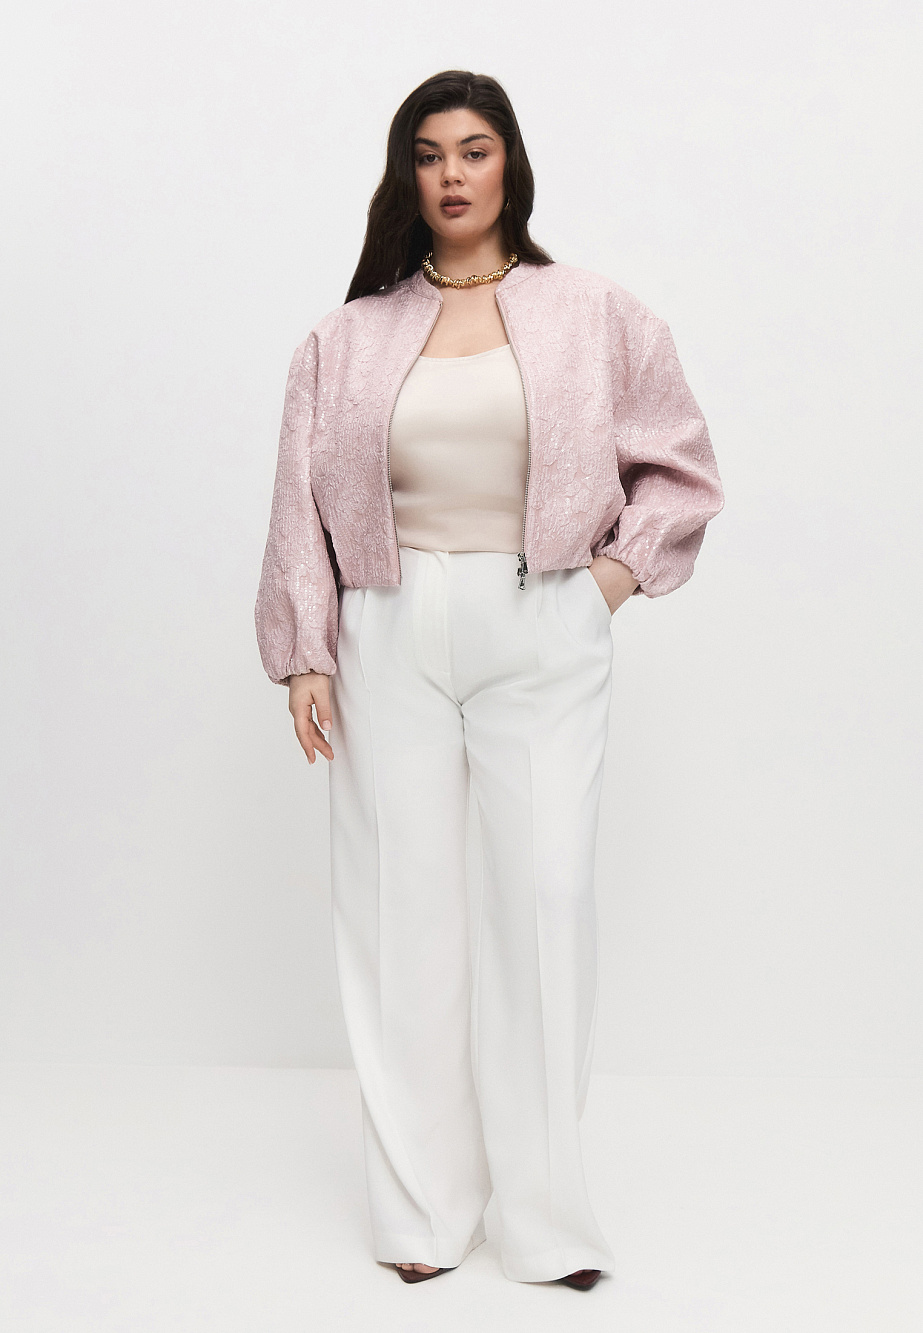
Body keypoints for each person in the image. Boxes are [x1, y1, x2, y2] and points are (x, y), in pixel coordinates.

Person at [255, 69, 723, 1291]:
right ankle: (423, 1214)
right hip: (388, 623)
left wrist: (604, 583)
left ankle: (547, 1221)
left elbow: (679, 463)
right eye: (427, 154)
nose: (451, 174)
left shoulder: (592, 312)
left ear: (509, 161)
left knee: (545, 900)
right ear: (405, 176)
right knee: (399, 914)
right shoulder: (346, 337)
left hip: (540, 620)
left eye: (472, 149)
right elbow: (298, 499)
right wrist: (305, 649)